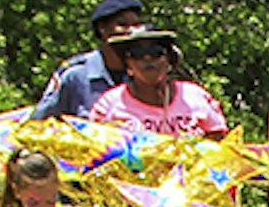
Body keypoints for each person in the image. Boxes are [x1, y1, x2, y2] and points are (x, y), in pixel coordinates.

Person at [91, 28, 227, 140]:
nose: (147, 58)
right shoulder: (109, 104)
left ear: (169, 59)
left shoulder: (196, 96)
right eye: (137, 54)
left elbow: (219, 141)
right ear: (128, 63)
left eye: (156, 52)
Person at [32, 0, 147, 122]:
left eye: (136, 25)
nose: (131, 31)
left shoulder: (146, 73)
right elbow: (40, 121)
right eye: (122, 24)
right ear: (102, 28)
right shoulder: (76, 75)